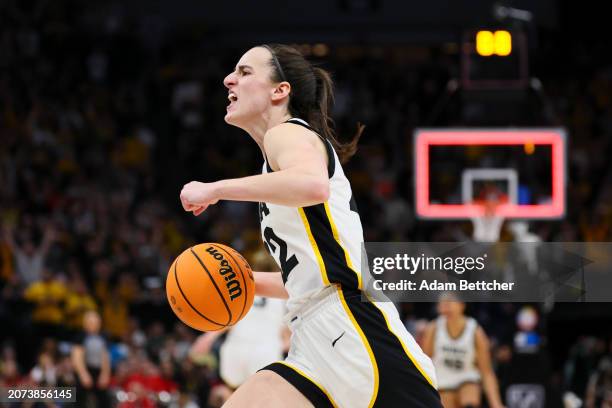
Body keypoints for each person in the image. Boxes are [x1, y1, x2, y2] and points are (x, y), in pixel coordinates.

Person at [179, 44, 441, 407]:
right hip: (313, 338)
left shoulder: (287, 132)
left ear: (280, 90)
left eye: (245, 72)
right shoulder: (276, 161)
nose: (229, 79)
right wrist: (247, 282)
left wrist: (215, 189)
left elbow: (313, 185)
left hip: (355, 329)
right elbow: (311, 275)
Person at [422, 295, 504, 408]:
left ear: (462, 305)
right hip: (442, 381)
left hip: (467, 378)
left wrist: (496, 404)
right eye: (442, 304)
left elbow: (486, 372)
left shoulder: (475, 330)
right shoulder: (433, 328)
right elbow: (423, 365)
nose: (446, 308)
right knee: (446, 401)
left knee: (469, 395)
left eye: (449, 303)